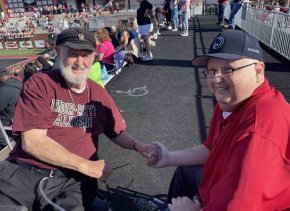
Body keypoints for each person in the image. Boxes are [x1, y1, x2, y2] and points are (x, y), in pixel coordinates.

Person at [0, 27, 160, 210]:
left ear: (93, 56)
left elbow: (115, 131)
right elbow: (33, 142)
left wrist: (138, 145)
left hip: (73, 181)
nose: (80, 62)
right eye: (73, 54)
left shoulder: (99, 93)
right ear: (58, 52)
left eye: (86, 55)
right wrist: (86, 165)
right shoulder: (41, 83)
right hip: (25, 173)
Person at [150, 30, 290, 210]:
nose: (216, 79)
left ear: (258, 71)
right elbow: (212, 147)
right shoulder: (233, 101)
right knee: (185, 169)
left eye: (228, 69)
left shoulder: (257, 132)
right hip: (227, 180)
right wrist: (169, 157)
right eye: (211, 70)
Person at [0, 68, 23, 150]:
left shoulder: (4, 91)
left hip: (10, 116)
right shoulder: (17, 81)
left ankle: (7, 145)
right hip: (19, 112)